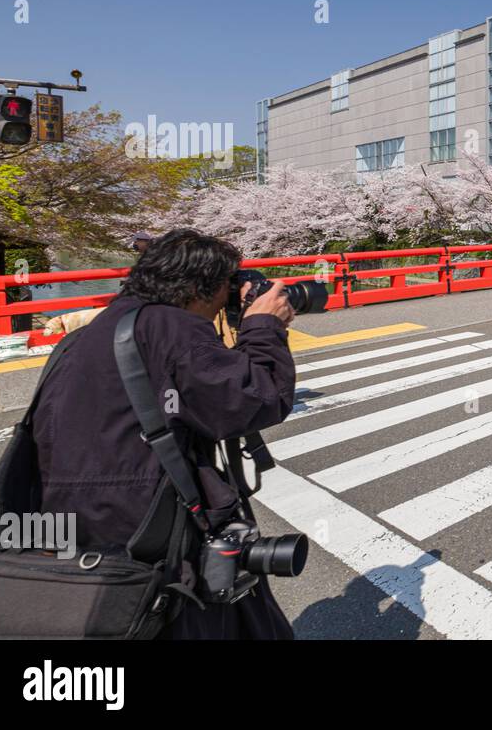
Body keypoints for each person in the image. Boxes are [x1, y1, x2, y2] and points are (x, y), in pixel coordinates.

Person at [32, 228, 299, 639]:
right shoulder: (173, 327)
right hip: (153, 532)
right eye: (226, 288)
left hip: (73, 529)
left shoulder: (86, 336)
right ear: (196, 287)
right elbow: (255, 400)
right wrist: (262, 326)